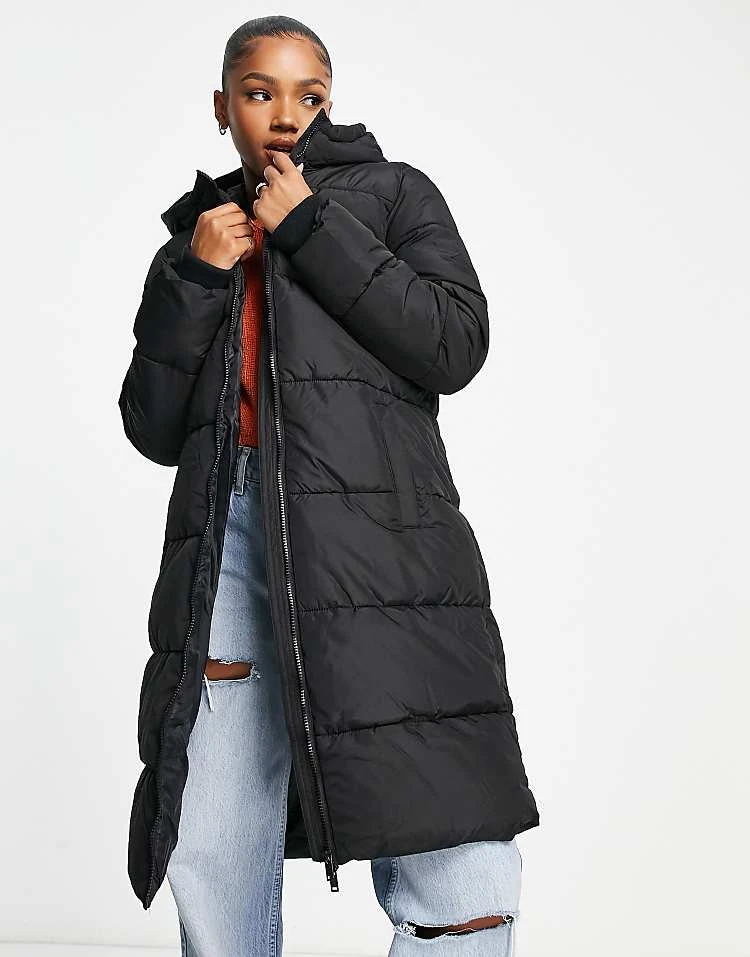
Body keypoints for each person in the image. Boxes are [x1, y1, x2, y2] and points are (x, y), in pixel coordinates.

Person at [119, 14, 539, 956]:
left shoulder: (393, 195)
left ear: (330, 102)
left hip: (383, 542)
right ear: (221, 106)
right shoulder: (195, 242)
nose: (284, 114)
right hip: (229, 537)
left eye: (307, 94)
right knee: (212, 821)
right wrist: (197, 278)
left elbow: (453, 342)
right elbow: (151, 426)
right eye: (258, 92)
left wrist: (310, 227)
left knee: (442, 796)